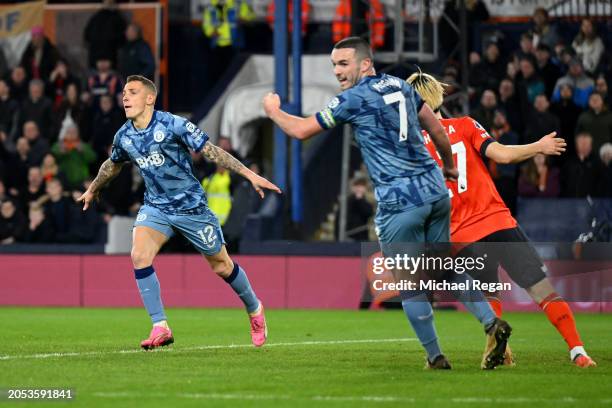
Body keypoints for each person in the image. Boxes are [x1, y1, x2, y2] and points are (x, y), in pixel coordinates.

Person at [263, 37, 511, 370]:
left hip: (400, 200)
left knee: (409, 283)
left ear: (365, 63)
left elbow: (301, 130)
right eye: (334, 64)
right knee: (442, 269)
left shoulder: (351, 100)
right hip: (436, 191)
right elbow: (436, 129)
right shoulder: (401, 85)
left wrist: (273, 111)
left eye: (344, 63)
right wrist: (449, 166)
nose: (337, 71)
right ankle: (491, 323)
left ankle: (435, 357)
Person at [408, 70, 596, 367]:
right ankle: (578, 351)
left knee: (485, 290)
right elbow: (503, 156)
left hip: (460, 235)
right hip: (497, 221)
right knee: (540, 289)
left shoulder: (412, 148)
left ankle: (497, 351)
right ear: (439, 98)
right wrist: (538, 146)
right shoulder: (466, 125)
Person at [77, 75, 279, 350]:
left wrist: (248, 174)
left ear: (150, 98)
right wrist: (93, 188)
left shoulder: (173, 124)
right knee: (139, 255)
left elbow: (211, 151)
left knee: (222, 265)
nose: (125, 97)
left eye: (132, 92)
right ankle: (160, 326)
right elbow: (113, 165)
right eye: (124, 93)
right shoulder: (124, 136)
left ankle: (255, 309)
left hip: (192, 208)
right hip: (156, 207)